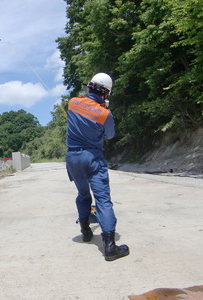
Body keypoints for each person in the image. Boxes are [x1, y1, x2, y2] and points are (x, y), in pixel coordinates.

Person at [65, 72, 129, 261]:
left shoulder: (73, 103)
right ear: (106, 93)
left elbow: (84, 105)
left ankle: (85, 231)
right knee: (103, 200)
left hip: (73, 158)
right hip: (92, 157)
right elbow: (109, 135)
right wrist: (103, 110)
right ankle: (110, 247)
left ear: (89, 87)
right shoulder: (105, 114)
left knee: (83, 195)